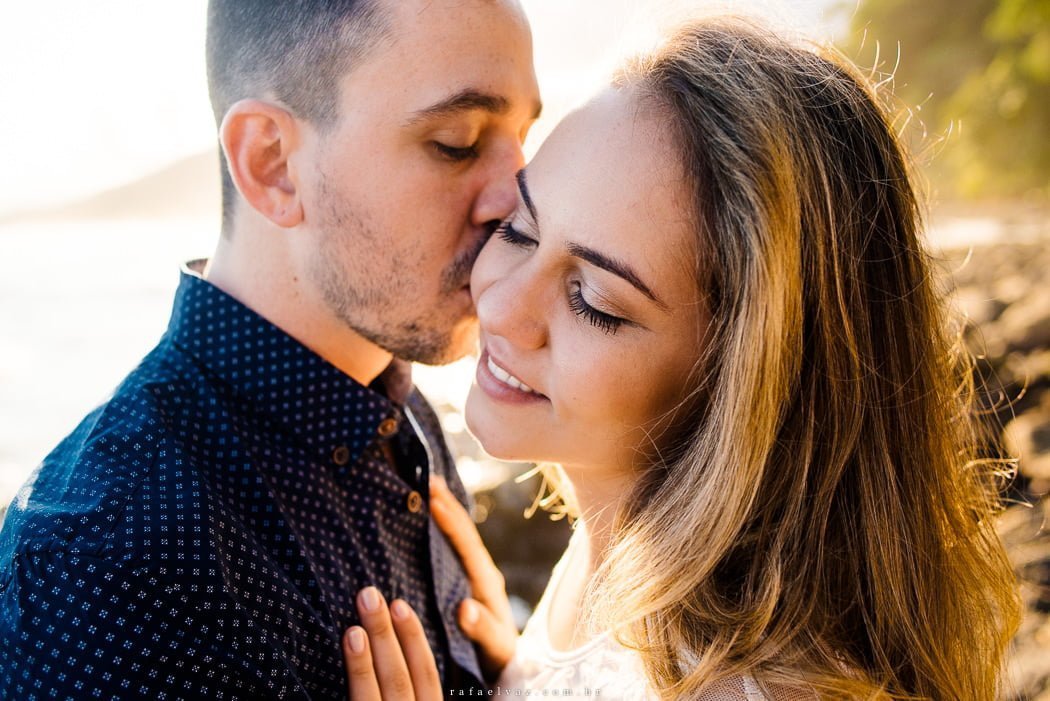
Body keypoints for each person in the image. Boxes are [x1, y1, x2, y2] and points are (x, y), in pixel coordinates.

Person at [340, 17, 1022, 701]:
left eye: (595, 302)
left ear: (744, 380)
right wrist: (515, 668)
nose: (499, 306)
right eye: (518, 229)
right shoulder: (621, 553)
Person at [0, 0, 541, 699]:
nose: (519, 200)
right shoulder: (105, 572)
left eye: (523, 141)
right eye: (458, 142)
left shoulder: (401, 413)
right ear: (272, 162)